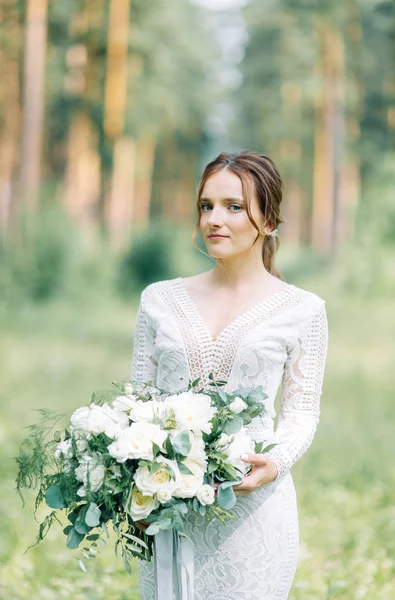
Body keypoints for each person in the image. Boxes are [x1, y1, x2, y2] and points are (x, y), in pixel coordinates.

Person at [130, 150, 329, 600]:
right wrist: (132, 479)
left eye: (233, 207)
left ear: (270, 222)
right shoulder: (158, 300)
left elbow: (301, 412)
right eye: (206, 206)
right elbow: (137, 400)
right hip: (166, 506)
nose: (214, 219)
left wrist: (273, 464)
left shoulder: (304, 310)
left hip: (253, 507)